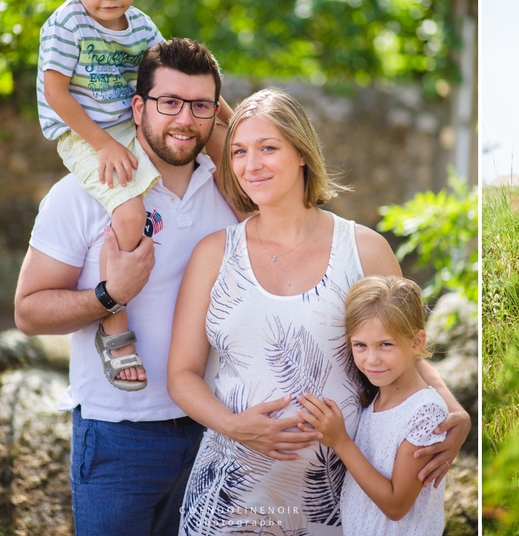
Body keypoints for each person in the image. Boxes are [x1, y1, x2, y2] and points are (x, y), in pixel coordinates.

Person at [167, 88, 469, 536]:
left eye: (268, 148)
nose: (252, 165)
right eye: (239, 152)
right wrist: (234, 426)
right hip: (229, 498)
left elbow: (407, 351)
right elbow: (181, 374)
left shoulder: (364, 249)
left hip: (339, 499)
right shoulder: (214, 254)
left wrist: (453, 412)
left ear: (302, 153)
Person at [15, 38, 238, 536]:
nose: (185, 119)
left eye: (200, 105)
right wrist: (108, 295)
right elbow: (29, 312)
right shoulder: (80, 193)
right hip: (119, 437)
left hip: (219, 430)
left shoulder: (234, 189)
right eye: (169, 103)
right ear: (138, 107)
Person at [36, 0, 233, 389]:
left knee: (228, 144)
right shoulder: (67, 25)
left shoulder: (141, 25)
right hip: (82, 132)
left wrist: (234, 118)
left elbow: (173, 75)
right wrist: (103, 145)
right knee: (128, 215)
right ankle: (114, 327)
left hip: (126, 125)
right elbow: (57, 94)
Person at [296, 275, 448, 536]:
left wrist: (340, 441)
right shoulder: (376, 398)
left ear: (417, 342)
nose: (372, 360)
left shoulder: (424, 412)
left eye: (385, 345)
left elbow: (396, 505)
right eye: (360, 345)